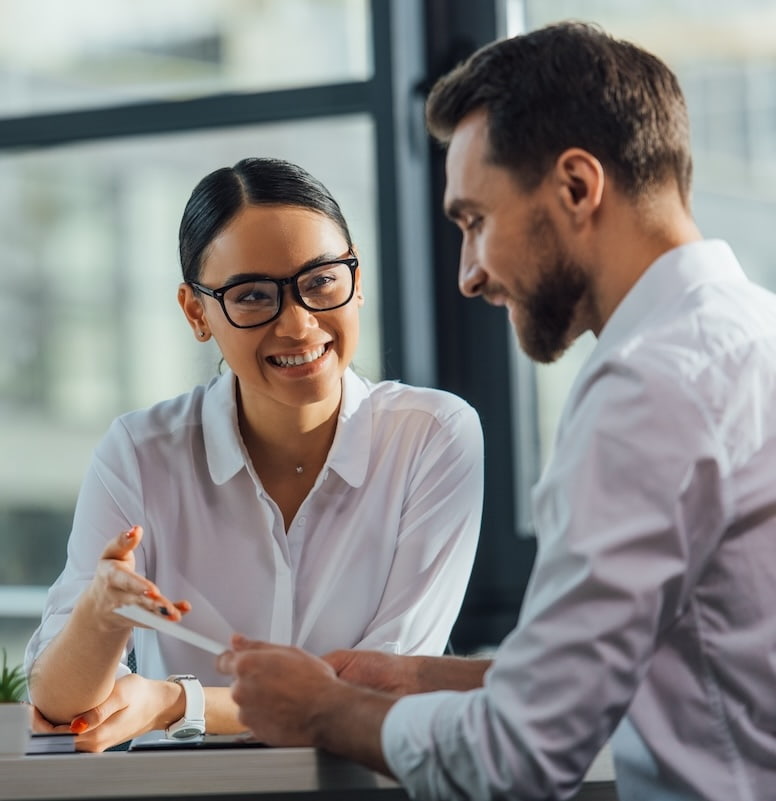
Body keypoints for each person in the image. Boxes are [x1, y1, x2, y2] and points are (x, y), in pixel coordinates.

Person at [215, 23, 776, 801]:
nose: (469, 276)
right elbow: (690, 661)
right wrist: (419, 677)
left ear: (578, 187)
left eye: (475, 221)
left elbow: (517, 755)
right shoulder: (754, 336)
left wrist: (324, 710)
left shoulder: (648, 391)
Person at [24, 157, 484, 752]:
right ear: (197, 313)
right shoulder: (139, 452)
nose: (297, 325)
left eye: (321, 281)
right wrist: (100, 615)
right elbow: (58, 705)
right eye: (253, 296)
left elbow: (386, 684)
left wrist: (177, 701)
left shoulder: (434, 435)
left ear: (357, 277)